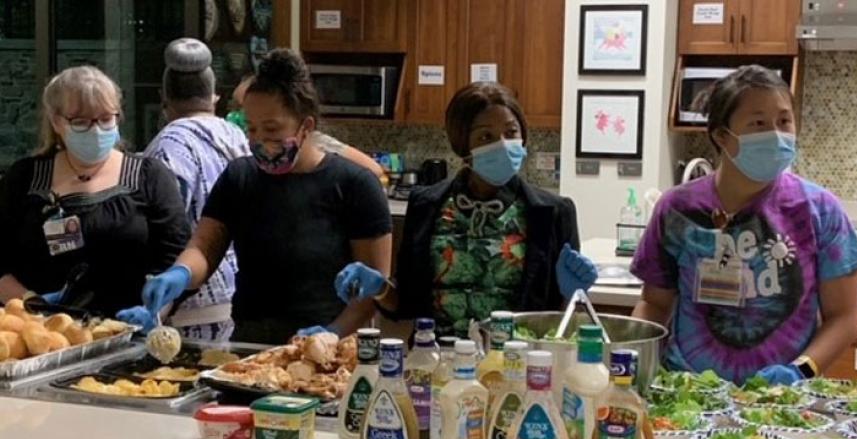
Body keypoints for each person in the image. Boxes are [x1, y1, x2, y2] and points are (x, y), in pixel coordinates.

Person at [630, 65, 857, 385]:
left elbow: (844, 317)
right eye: (758, 123)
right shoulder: (677, 209)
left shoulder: (819, 211)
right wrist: (631, 362)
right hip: (687, 394)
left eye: (784, 121)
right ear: (722, 136)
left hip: (777, 400)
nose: (776, 134)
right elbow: (654, 304)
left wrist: (801, 370)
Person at [141, 49, 392, 345]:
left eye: (272, 129)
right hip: (250, 346)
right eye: (252, 129)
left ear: (306, 126)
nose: (259, 140)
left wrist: (332, 334)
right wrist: (180, 274)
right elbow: (205, 248)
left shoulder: (354, 185)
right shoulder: (240, 178)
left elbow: (372, 292)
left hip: (333, 351)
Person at [334, 82, 598, 338]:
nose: (503, 144)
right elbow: (407, 306)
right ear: (463, 146)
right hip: (437, 357)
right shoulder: (426, 206)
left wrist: (574, 295)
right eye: (486, 136)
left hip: (519, 363)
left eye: (511, 132)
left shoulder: (553, 212)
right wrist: (379, 287)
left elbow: (563, 327)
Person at [0, 66, 189, 320]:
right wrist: (31, 306)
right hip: (44, 337)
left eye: (105, 119)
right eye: (81, 122)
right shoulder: (25, 178)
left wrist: (154, 312)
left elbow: (176, 259)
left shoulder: (149, 177)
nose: (96, 130)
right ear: (56, 122)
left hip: (128, 332)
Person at [141, 38, 250, 341]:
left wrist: (157, 304)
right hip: (234, 295)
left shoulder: (168, 148)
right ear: (214, 96)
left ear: (164, 98)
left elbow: (167, 235)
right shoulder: (237, 136)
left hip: (188, 307)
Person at [227, 74, 385, 179]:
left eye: (271, 128)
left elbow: (374, 169)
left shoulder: (313, 142)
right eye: (236, 108)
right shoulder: (236, 153)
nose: (237, 115)